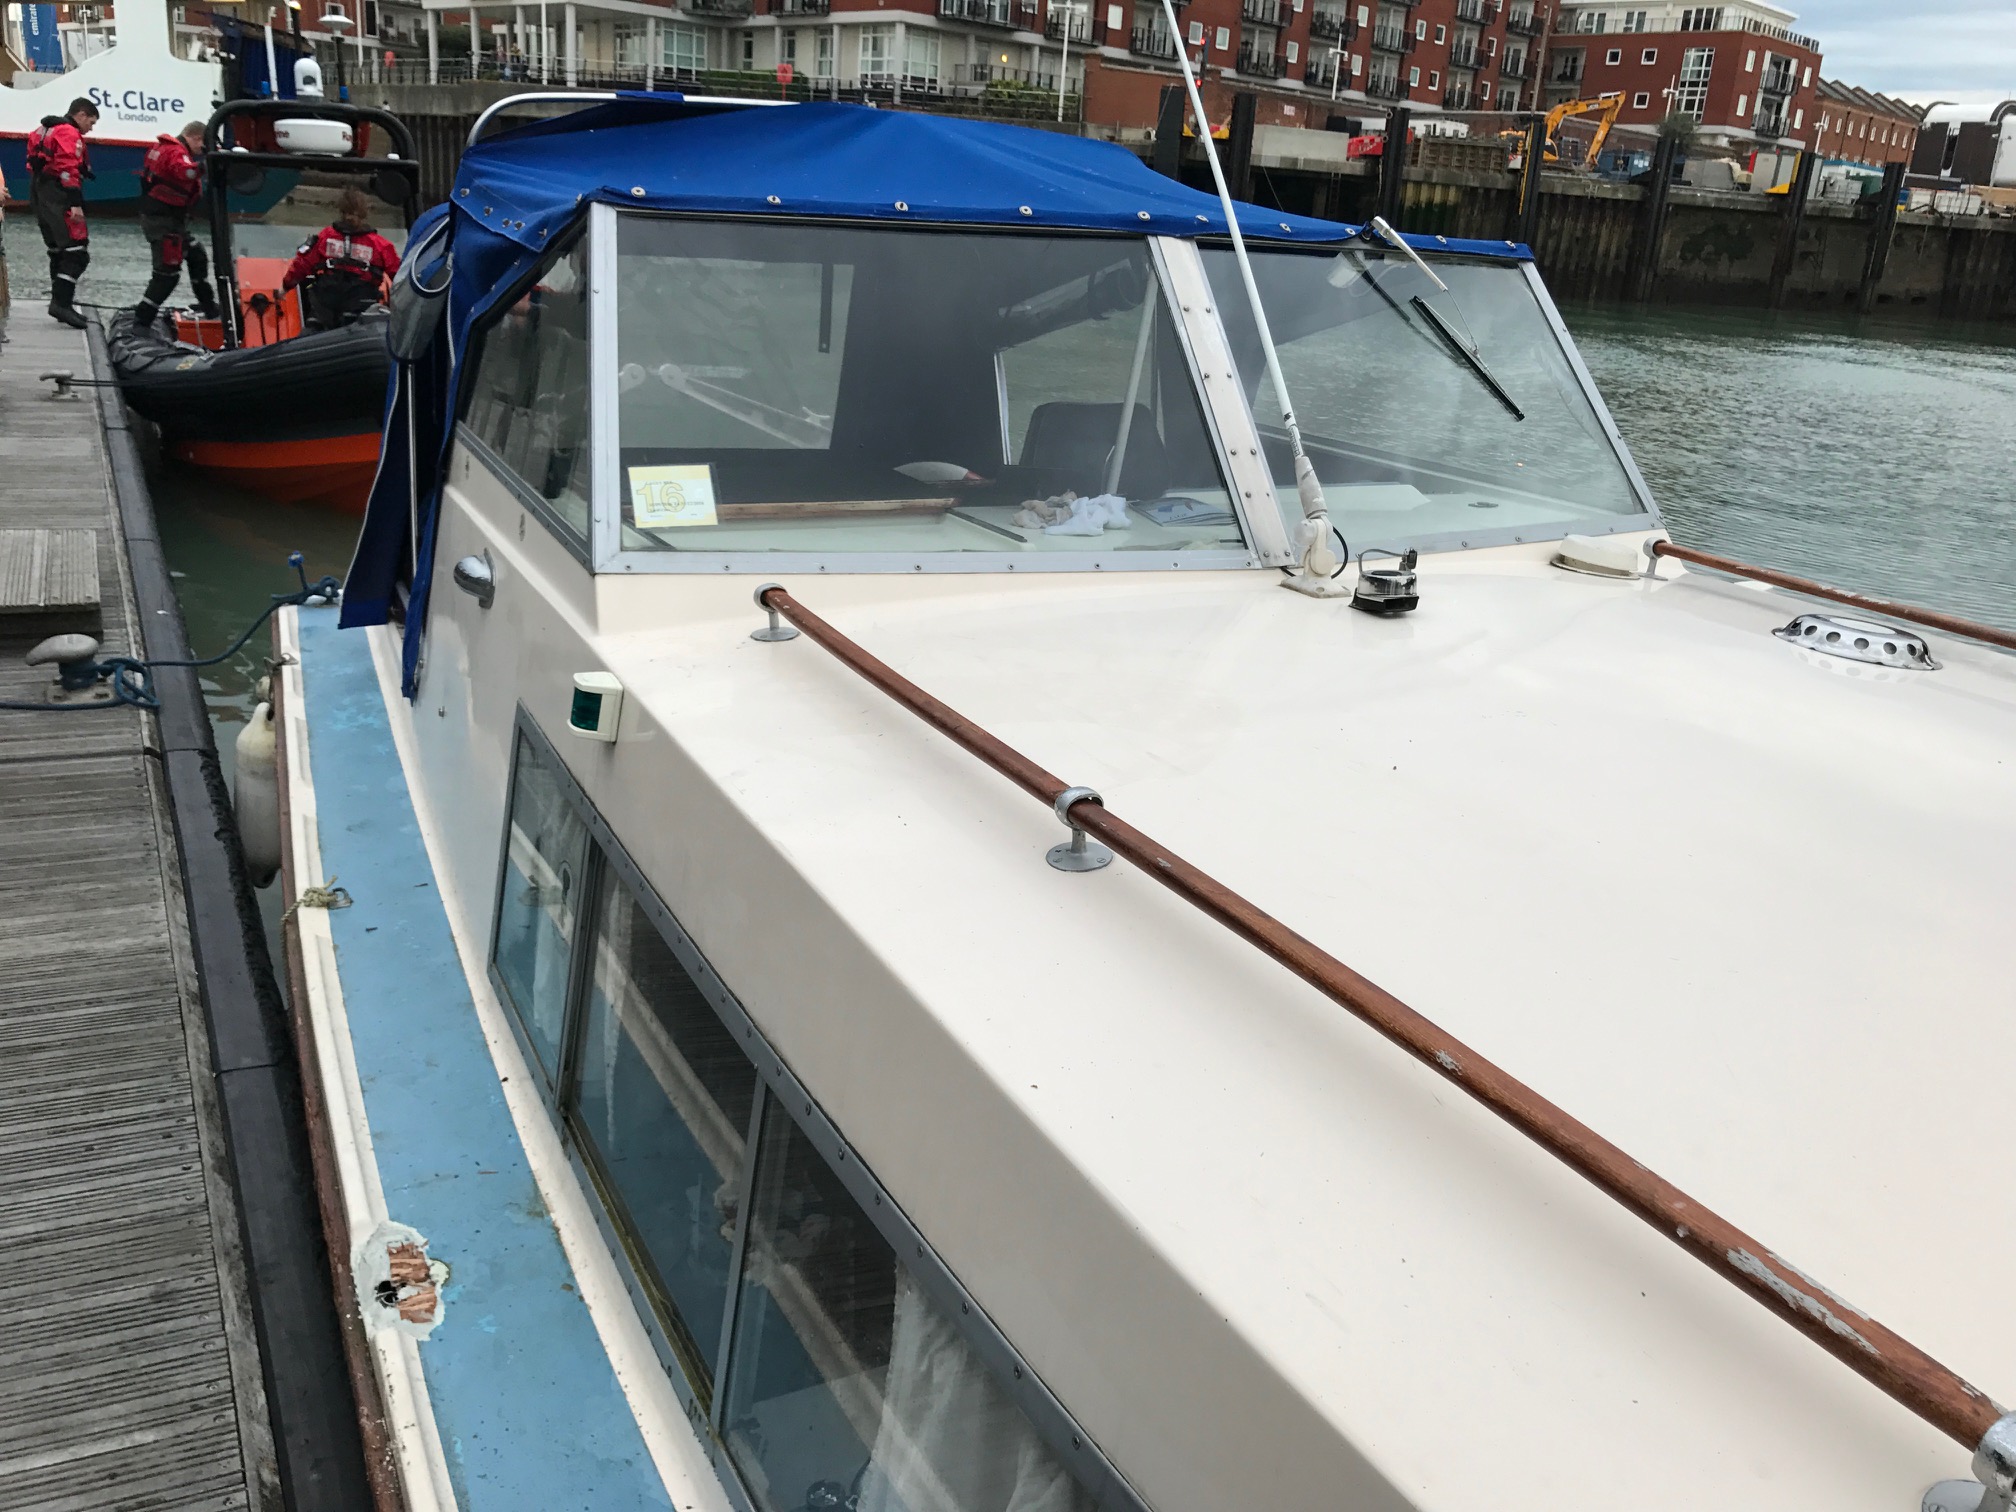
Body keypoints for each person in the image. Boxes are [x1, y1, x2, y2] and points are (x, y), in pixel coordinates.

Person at [134, 121, 220, 328]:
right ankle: (142, 319)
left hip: (171, 221)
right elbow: (185, 172)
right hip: (163, 221)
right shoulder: (175, 152)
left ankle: (210, 307)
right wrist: (207, 164)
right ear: (197, 138)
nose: (202, 151)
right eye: (203, 145)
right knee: (167, 273)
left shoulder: (162, 148)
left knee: (197, 255)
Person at [282, 187, 401, 332]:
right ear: (365, 214)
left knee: (314, 328)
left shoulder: (325, 237)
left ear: (341, 211)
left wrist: (286, 286)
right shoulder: (380, 245)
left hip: (325, 304)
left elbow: (302, 264)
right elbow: (399, 276)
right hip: (360, 307)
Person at [25, 97, 97, 329]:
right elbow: (67, 169)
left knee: (57, 250)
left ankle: (61, 303)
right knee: (76, 252)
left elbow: (33, 162)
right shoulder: (68, 133)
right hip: (59, 193)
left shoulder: (42, 130)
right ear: (82, 114)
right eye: (91, 122)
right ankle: (61, 304)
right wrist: (75, 203)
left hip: (39, 191)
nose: (90, 129)